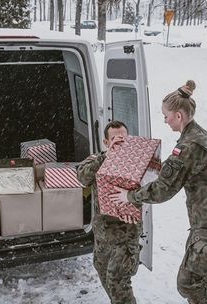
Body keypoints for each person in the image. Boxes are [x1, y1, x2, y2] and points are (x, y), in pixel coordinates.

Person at [109, 80, 207, 304]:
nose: (165, 120)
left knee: (188, 282)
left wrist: (129, 196)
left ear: (179, 116)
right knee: (199, 278)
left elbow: (162, 190)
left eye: (166, 116)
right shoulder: (200, 135)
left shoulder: (187, 148)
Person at [77, 120, 141, 304]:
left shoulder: (137, 163)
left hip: (125, 234)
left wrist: (135, 202)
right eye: (115, 138)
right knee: (104, 274)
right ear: (106, 142)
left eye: (124, 138)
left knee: (118, 282)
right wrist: (106, 156)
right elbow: (82, 177)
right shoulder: (98, 159)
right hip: (103, 235)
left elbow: (152, 189)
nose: (120, 141)